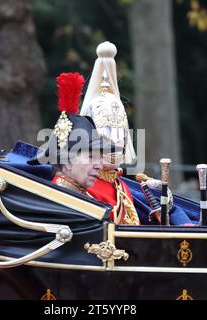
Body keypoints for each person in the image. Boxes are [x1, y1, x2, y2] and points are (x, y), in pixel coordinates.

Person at [79, 41, 198, 226]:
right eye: (107, 138)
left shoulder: (123, 185)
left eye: (120, 137)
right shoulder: (85, 186)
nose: (116, 146)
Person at [29, 72, 115, 194]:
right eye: (91, 157)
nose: (99, 166)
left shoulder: (76, 196)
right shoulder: (60, 200)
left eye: (100, 158)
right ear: (67, 162)